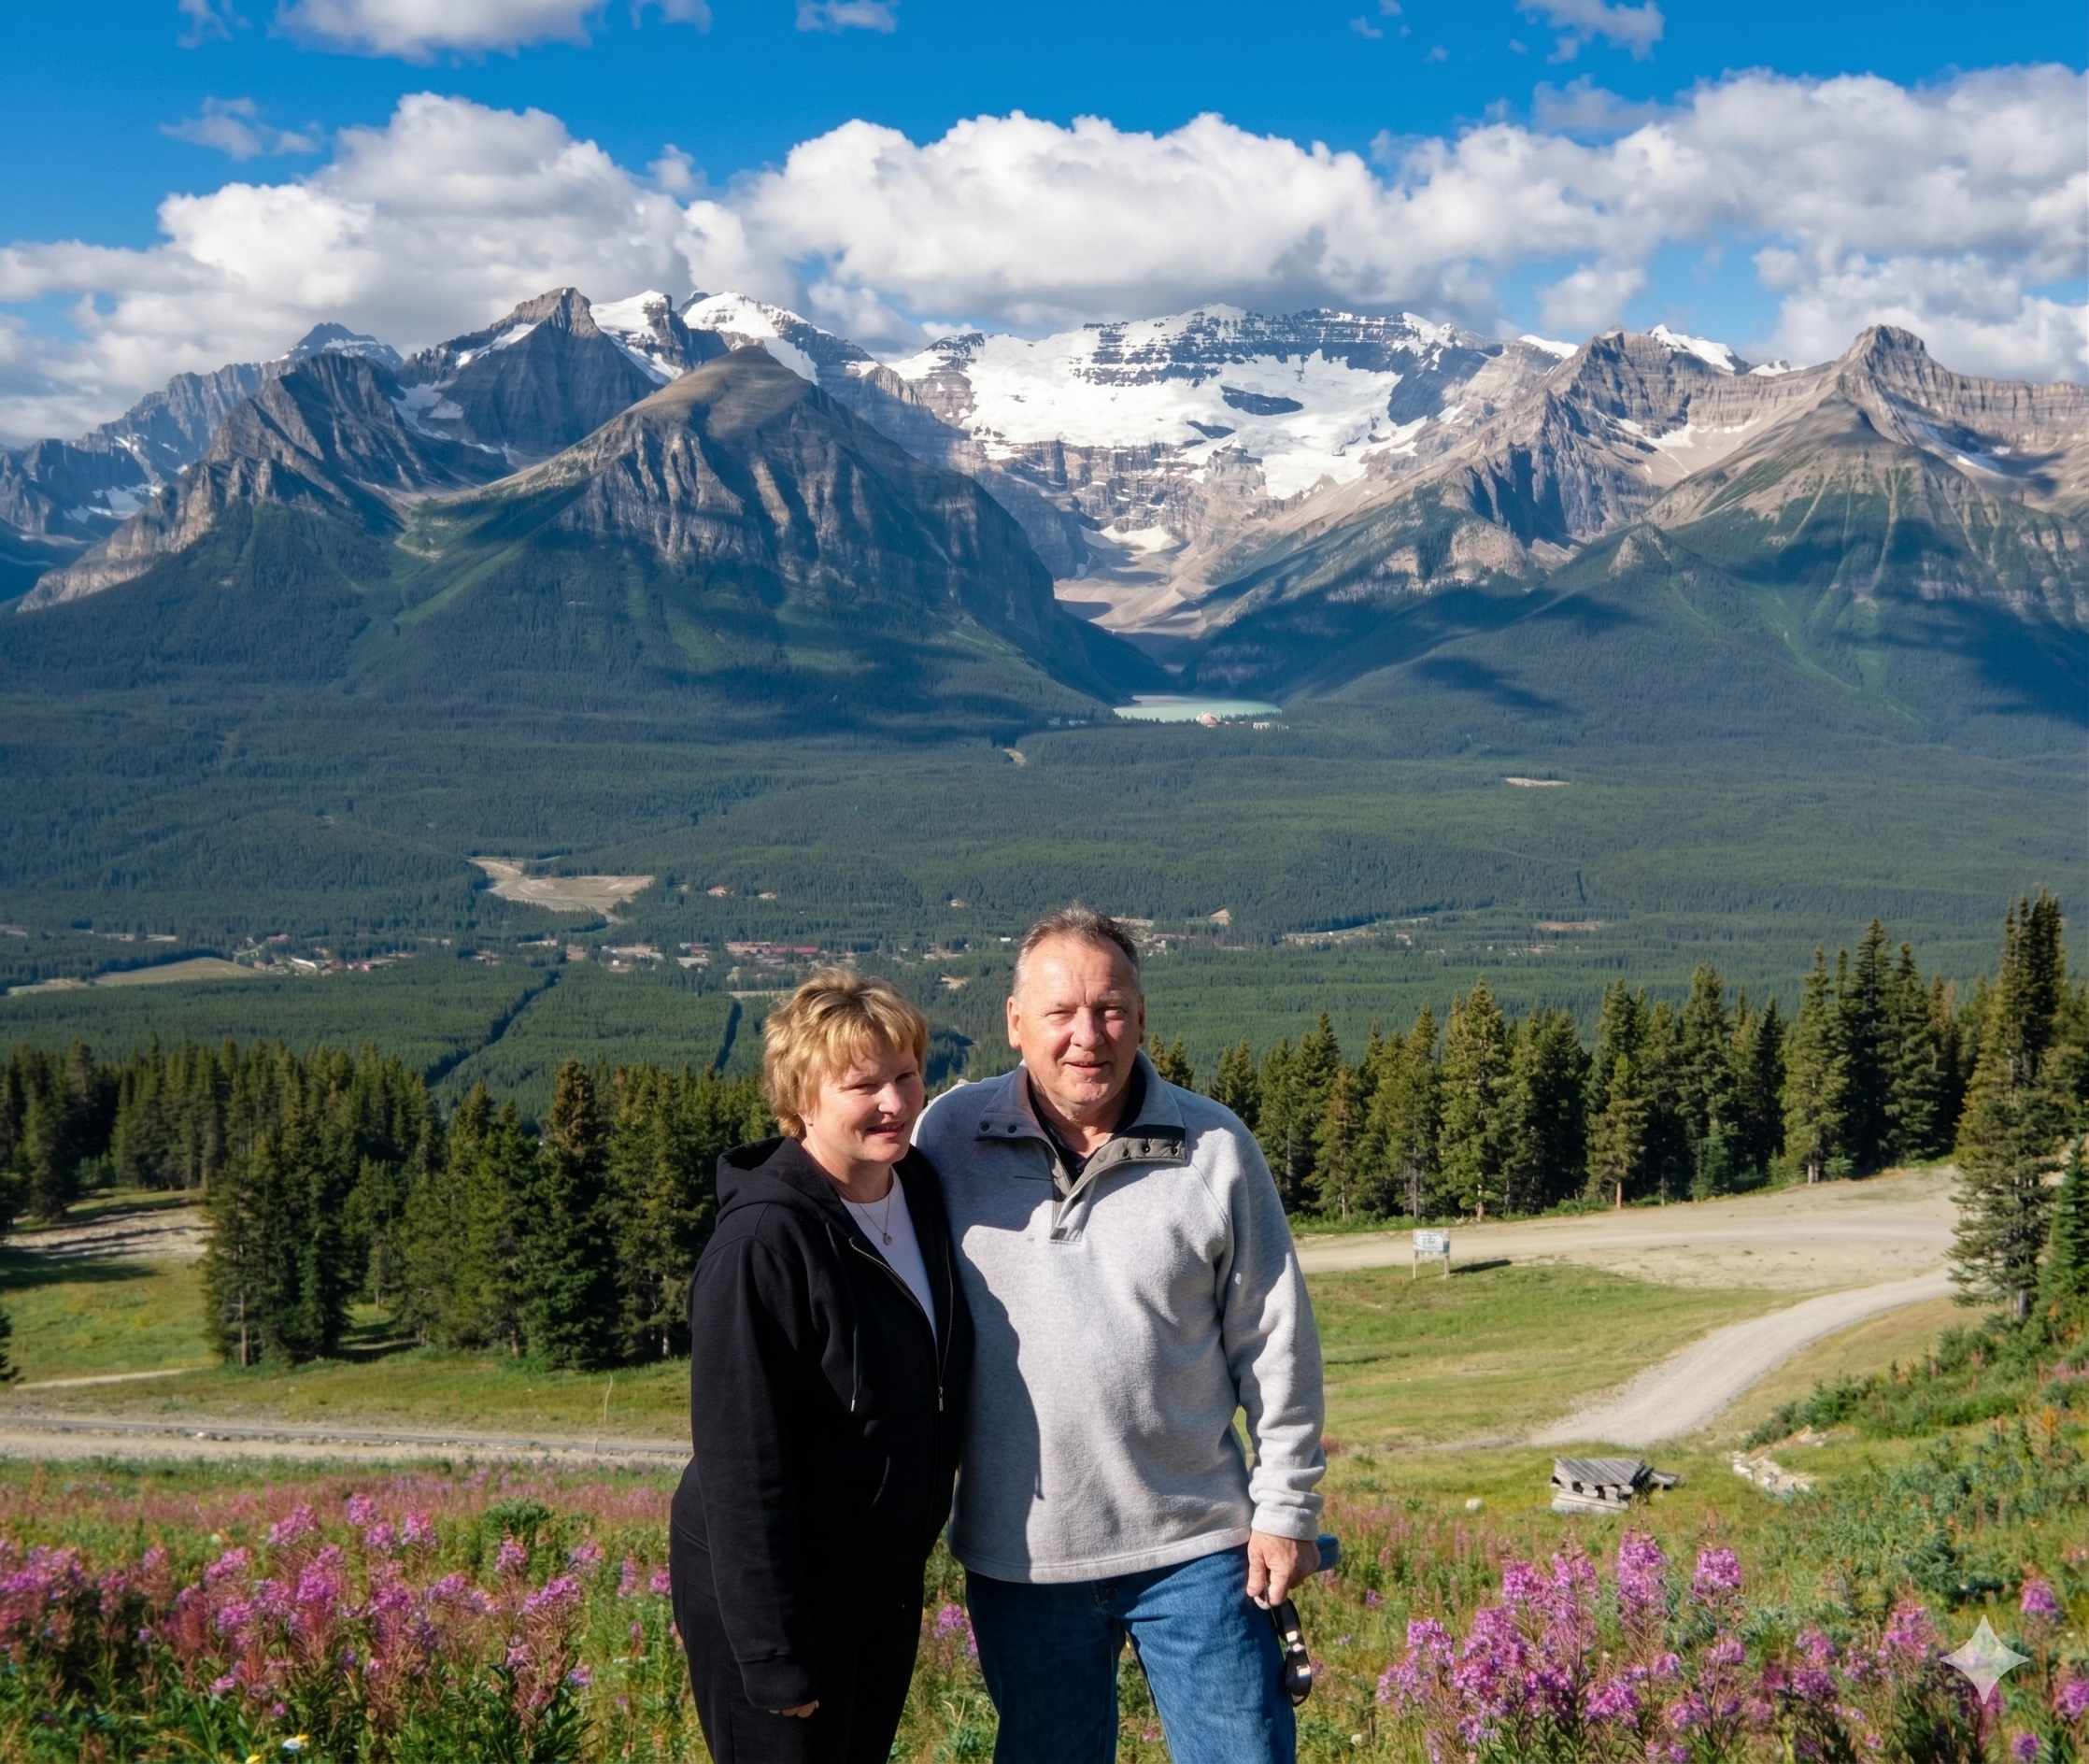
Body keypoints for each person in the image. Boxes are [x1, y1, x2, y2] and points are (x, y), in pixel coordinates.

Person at [915, 905, 1326, 1764]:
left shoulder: (1214, 1148)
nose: (1086, 1036)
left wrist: (1285, 1508)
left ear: (1142, 1018)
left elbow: (1275, 1339)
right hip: (1022, 1558)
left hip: (1202, 1552)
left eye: (1109, 1009)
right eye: (1060, 1012)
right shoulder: (947, 1137)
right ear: (1015, 1022)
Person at [670, 972, 973, 1764]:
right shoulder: (761, 1246)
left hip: (879, 1585)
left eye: (906, 1075)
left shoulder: (919, 1192)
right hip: (790, 1600)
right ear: (801, 1098)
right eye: (862, 1085)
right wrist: (772, 1656)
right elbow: (742, 1468)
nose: (896, 1103)